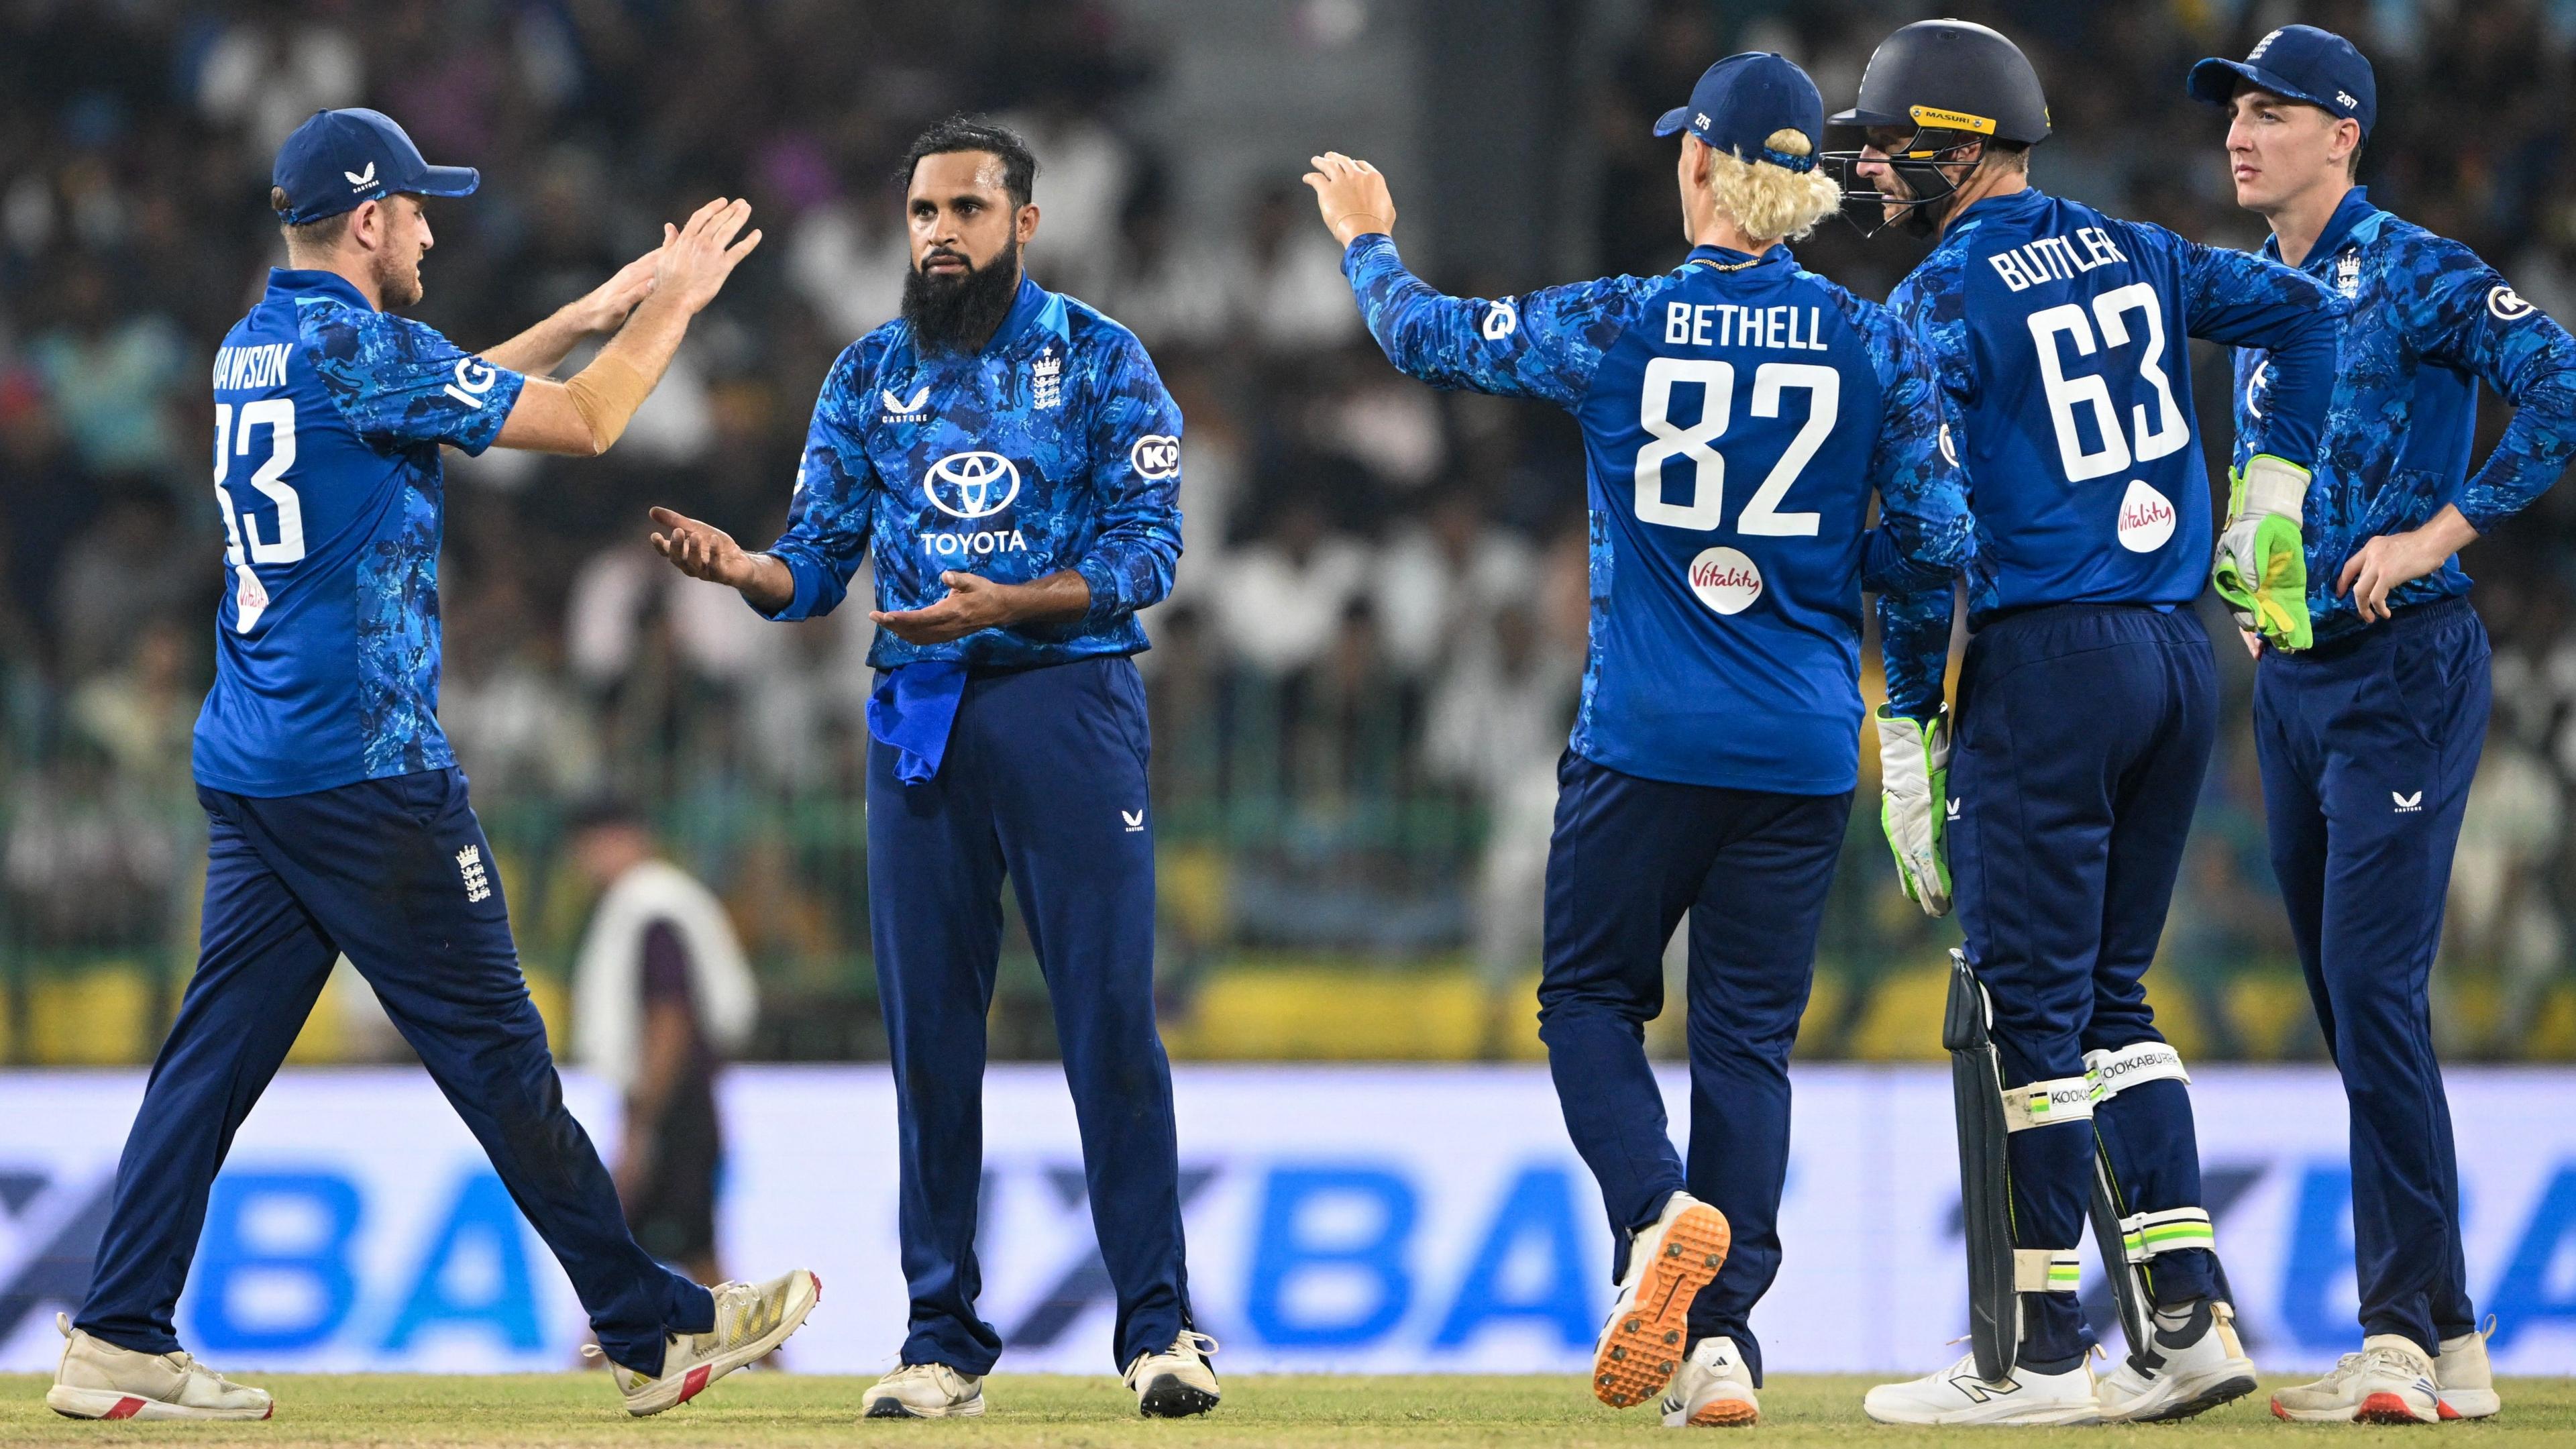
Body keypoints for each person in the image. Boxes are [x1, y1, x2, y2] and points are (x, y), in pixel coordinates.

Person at [46, 108, 814, 1423]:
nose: (432, 228)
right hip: (367, 771)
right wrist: (672, 306)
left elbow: (437, 391)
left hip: (258, 759)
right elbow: (580, 424)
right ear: (365, 221)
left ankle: (117, 1331)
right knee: (499, 1055)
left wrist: (601, 297)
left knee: (210, 1061)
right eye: (415, 209)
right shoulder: (366, 348)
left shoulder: (264, 343)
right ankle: (653, 1329)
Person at [1307, 52, 1972, 1428]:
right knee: (1747, 1044)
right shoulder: (1877, 340)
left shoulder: (1624, 320)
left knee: (1589, 1004)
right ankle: (1723, 1345)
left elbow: (1428, 339)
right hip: (1799, 746)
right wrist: (1902, 710)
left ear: (1697, 166)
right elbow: (1937, 547)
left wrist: (1369, 241)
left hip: (1645, 737)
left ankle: (1653, 1219)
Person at [645, 116, 1214, 1421]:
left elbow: (1149, 558)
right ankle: (942, 1338)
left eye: (966, 210)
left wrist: (1011, 603)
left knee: (1110, 1025)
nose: (940, 235)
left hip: (1068, 705)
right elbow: (815, 563)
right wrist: (749, 572)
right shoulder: (865, 378)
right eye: (922, 214)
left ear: (1026, 222)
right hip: (921, 715)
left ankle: (1161, 1330)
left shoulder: (1102, 362)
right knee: (929, 1044)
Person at [1827, 21, 2344, 1425]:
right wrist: (2271, 501)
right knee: (2115, 1005)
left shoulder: (1934, 301)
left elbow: (1930, 532)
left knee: (2027, 1012)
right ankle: (2185, 1322)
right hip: (2177, 659)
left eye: (1890, 139)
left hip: (2048, 663)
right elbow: (2307, 317)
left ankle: (2042, 1348)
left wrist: (1911, 725)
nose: (1871, 164)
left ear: (1964, 140)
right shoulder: (2136, 247)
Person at [2190, 24, 2576, 1424]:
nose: (2241, 131)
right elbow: (2274, 464)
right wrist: (2251, 569)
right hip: (2298, 677)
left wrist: (2436, 535)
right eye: (2236, 109)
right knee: (2356, 1010)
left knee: (2369, 987)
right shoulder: (2255, 285)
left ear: (2343, 135)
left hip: (2407, 665)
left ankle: (2402, 1335)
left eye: (2273, 112)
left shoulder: (2414, 267)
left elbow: (2563, 384)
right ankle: (2454, 1341)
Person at [567, 799, 760, 1287]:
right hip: (683, 1100)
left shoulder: (648, 908)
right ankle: (773, 1358)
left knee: (635, 1259)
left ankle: (587, 1357)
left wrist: (642, 1121)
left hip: (673, 1104)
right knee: (664, 1259)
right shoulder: (665, 899)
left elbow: (668, 1018)